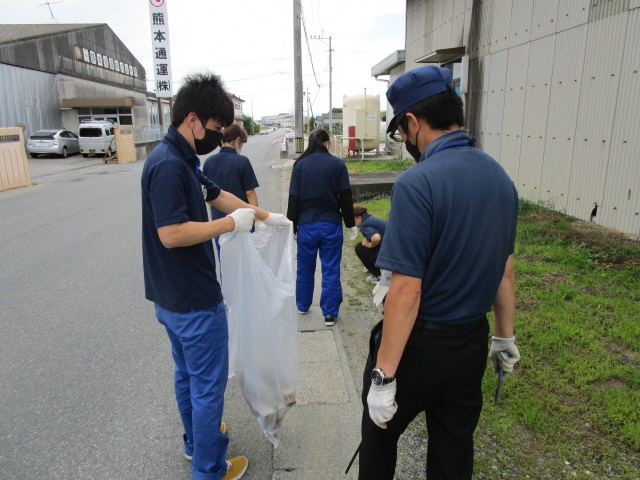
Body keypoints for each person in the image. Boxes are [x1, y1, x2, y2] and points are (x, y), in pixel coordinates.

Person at [358, 65, 522, 479]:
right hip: (470, 344)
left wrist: (384, 376)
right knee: (453, 452)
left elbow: (406, 292)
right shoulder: (500, 179)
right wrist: (504, 337)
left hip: (419, 347)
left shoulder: (418, 182)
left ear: (412, 122)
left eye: (401, 131)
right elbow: (505, 271)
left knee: (379, 440)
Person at [141, 72, 290, 480]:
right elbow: (170, 234)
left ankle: (195, 444)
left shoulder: (184, 159)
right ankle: (209, 469)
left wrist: (264, 216)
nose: (216, 136)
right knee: (207, 388)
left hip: (169, 298)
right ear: (192, 119)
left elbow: (217, 195)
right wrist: (229, 226)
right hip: (192, 298)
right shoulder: (169, 166)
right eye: (214, 128)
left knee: (187, 375)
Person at [286, 128, 357, 327]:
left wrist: (292, 226)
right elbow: (345, 196)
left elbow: (294, 198)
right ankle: (329, 313)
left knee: (305, 268)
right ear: (327, 142)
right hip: (331, 224)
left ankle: (302, 305)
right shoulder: (337, 164)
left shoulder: (300, 165)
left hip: (307, 224)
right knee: (331, 269)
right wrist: (350, 224)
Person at [203, 124, 259, 221]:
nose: (241, 146)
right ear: (237, 140)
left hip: (219, 221)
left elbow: (207, 195)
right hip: (242, 219)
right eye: (241, 143)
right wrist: (257, 218)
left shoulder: (208, 162)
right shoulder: (243, 161)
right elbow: (250, 193)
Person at [353, 205, 387, 283]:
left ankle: (378, 275)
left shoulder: (364, 225)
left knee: (360, 247)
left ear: (356, 217)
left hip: (387, 256)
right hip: (393, 250)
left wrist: (369, 245)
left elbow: (376, 238)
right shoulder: (371, 219)